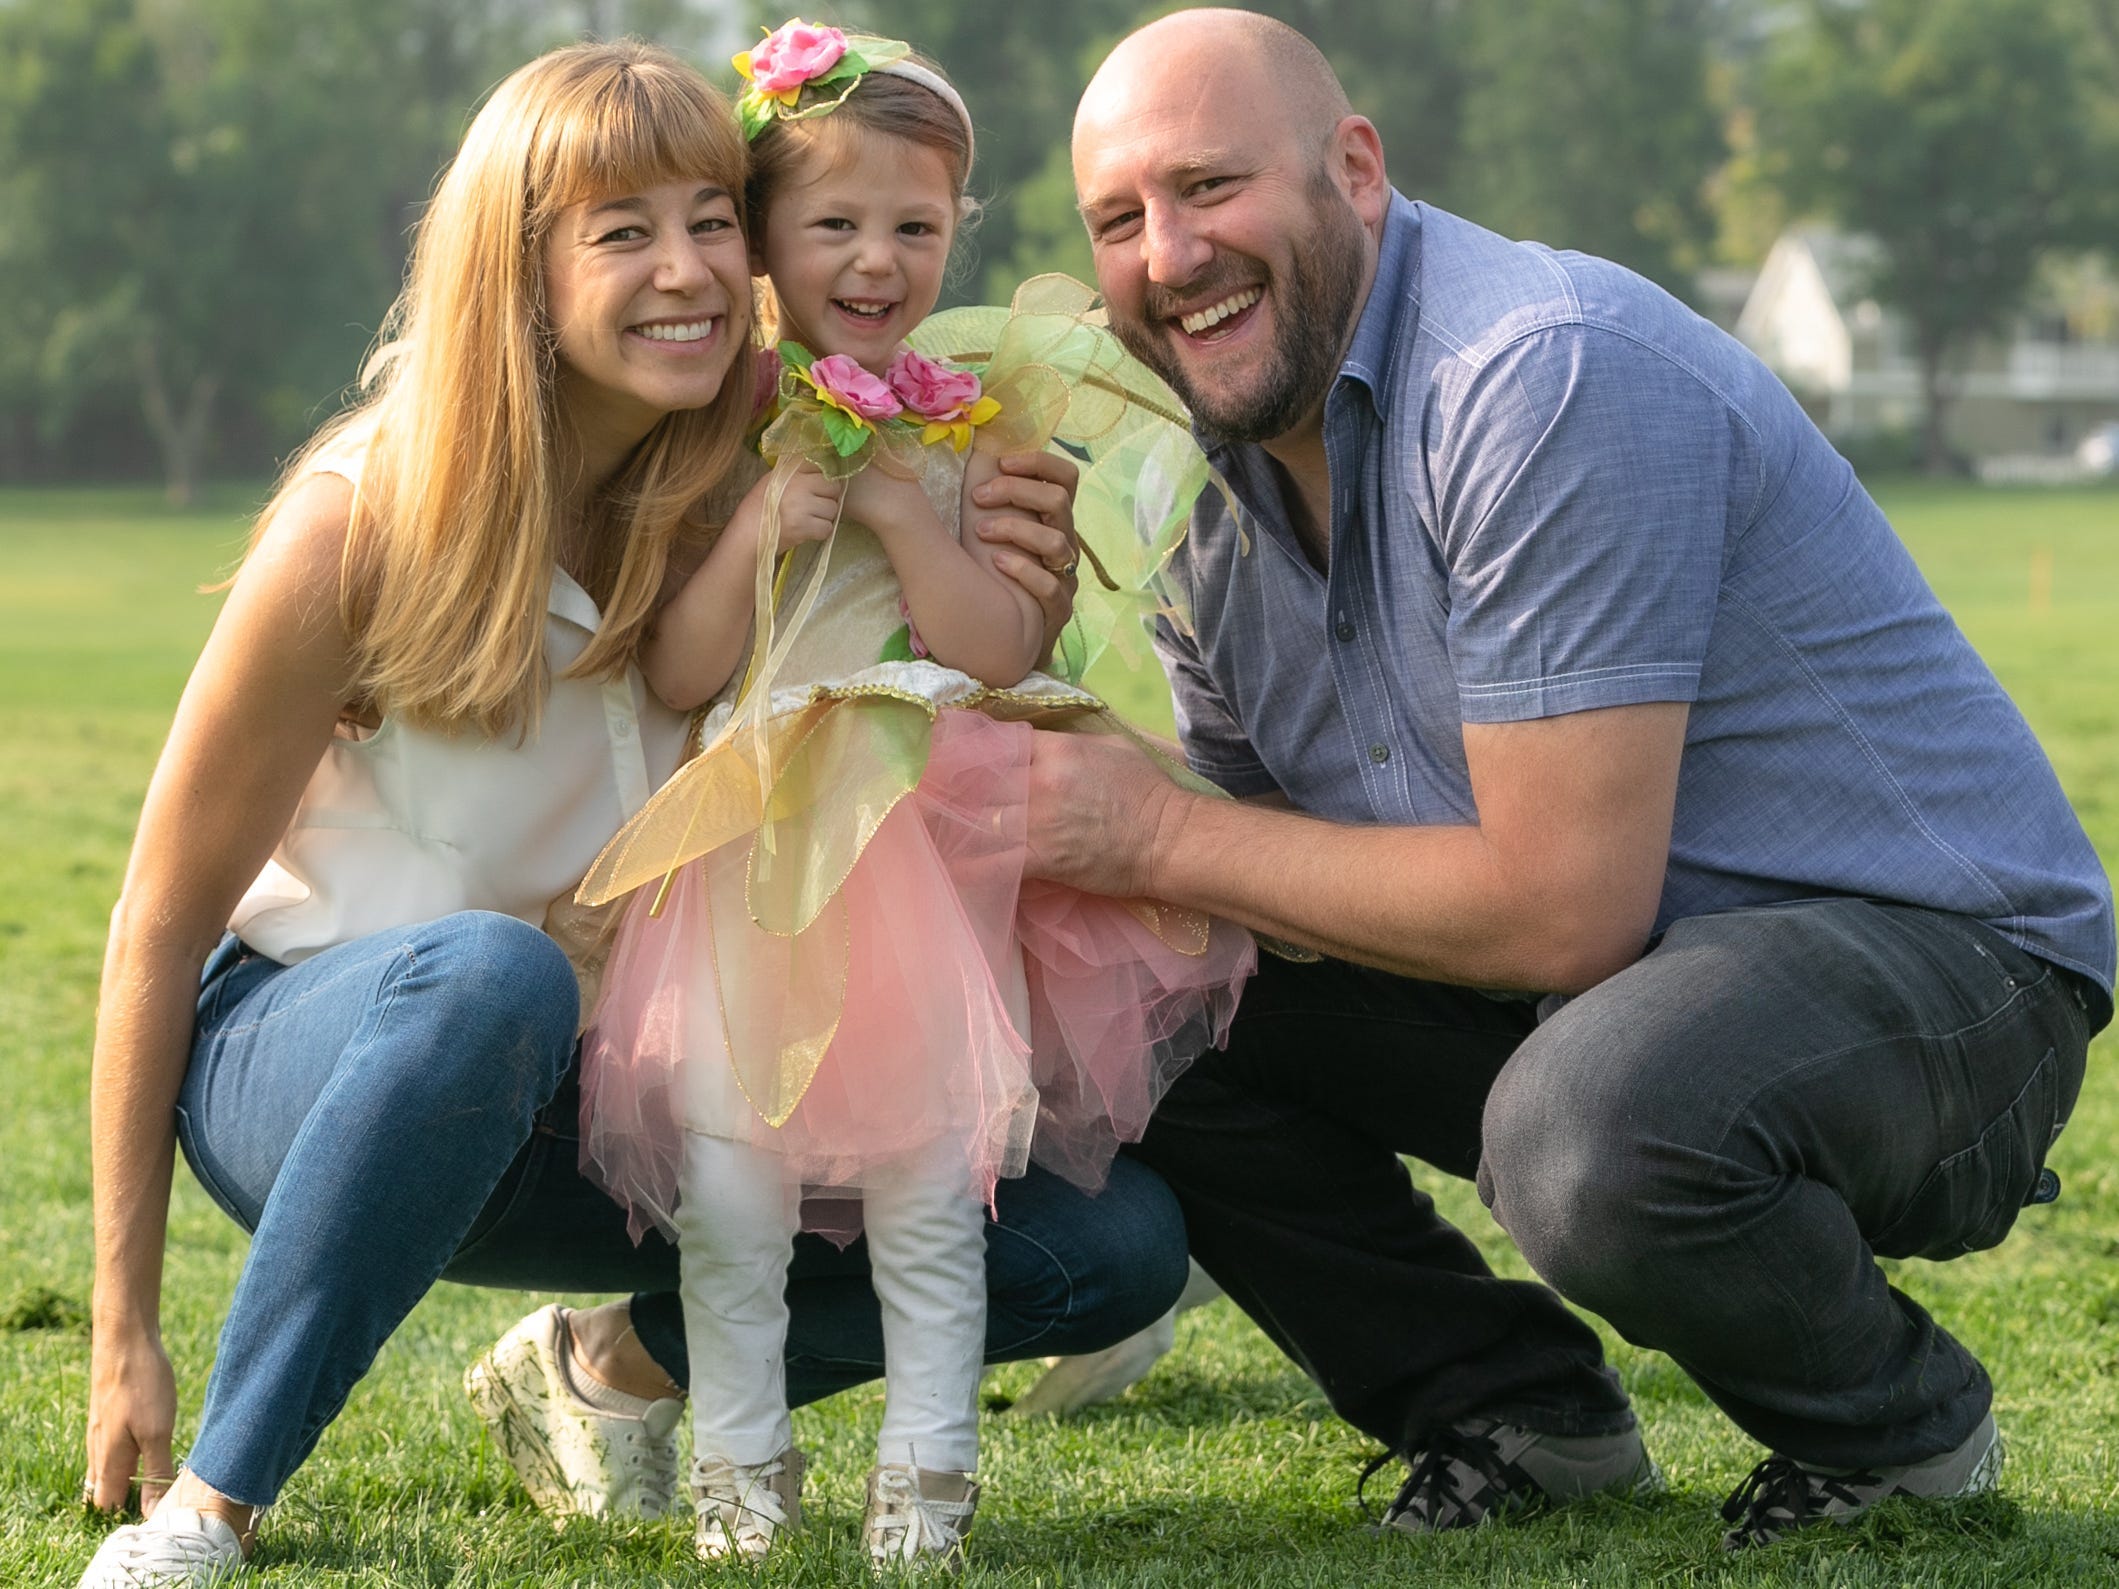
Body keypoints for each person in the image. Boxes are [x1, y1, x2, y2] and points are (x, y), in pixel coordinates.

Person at [74, 41, 1187, 1589]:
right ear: (516, 272)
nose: (690, 271)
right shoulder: (363, 520)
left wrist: (1019, 578)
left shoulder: (771, 454)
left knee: (1109, 1241)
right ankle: (207, 1509)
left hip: (618, 1081)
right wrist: (121, 1320)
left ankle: (606, 1366)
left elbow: (917, 670)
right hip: (331, 1054)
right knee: (490, 976)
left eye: (714, 220)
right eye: (622, 233)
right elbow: (158, 919)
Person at [1033, 6, 2116, 1552]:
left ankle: (1900, 1436)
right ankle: (1510, 1408)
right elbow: (1265, 874)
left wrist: (1149, 827)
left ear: (1354, 169)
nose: (1167, 253)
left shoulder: (1531, 374)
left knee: (1590, 1124)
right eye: (1118, 221)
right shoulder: (1195, 490)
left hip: (1945, 969)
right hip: (1630, 984)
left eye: (1209, 187)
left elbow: (1562, 915)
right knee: (1135, 984)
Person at [563, 22, 1253, 1568]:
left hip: (911, 870)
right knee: (732, 1199)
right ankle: (741, 1468)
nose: (875, 260)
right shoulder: (716, 424)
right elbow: (675, 676)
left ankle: (929, 1476)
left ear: (957, 233)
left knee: (929, 1196)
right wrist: (758, 535)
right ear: (760, 235)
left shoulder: (964, 420)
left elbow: (1000, 643)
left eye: (915, 228)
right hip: (740, 874)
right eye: (833, 224)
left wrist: (896, 503)